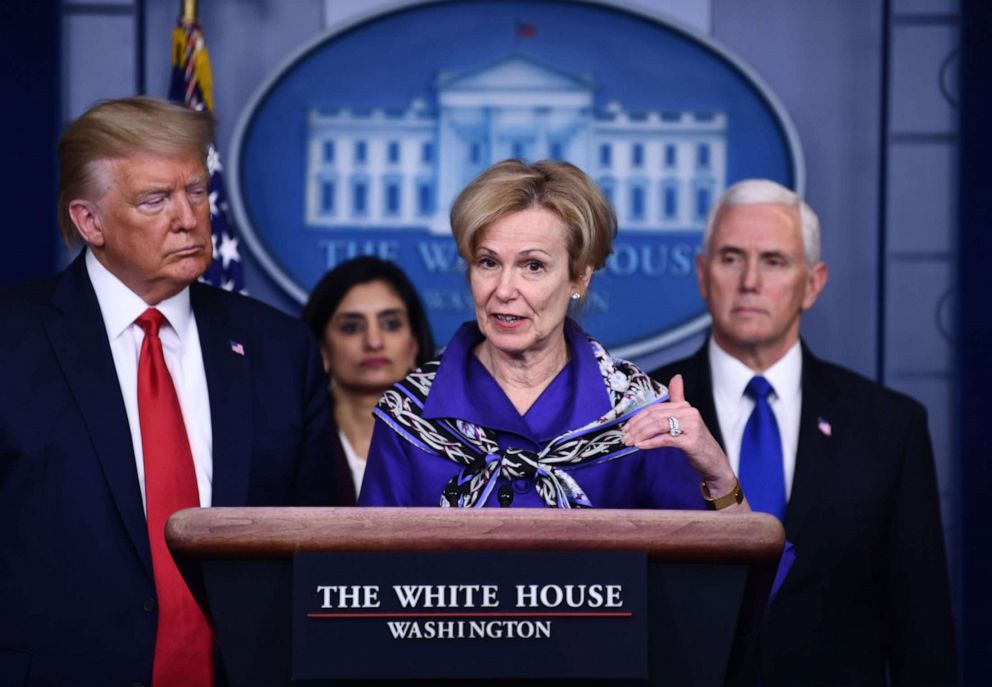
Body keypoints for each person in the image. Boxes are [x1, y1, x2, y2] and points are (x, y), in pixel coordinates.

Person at [0, 97, 334, 686]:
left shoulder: (280, 350)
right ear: (89, 222)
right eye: (155, 200)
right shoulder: (11, 341)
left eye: (197, 191)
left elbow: (322, 543)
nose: (188, 217)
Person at [650, 179, 957, 685]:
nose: (750, 280)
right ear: (703, 275)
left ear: (813, 283)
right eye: (731, 258)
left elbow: (921, 634)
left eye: (773, 261)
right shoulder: (645, 409)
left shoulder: (889, 427)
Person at [358, 159, 744, 511]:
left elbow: (722, 580)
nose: (505, 289)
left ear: (579, 276)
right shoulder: (408, 412)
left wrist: (719, 476)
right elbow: (362, 579)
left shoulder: (640, 415)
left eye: (533, 266)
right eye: (488, 262)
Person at [302, 256, 435, 505]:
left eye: (390, 324)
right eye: (352, 328)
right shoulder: (294, 442)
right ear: (323, 351)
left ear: (414, 345)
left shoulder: (451, 440)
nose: (374, 341)